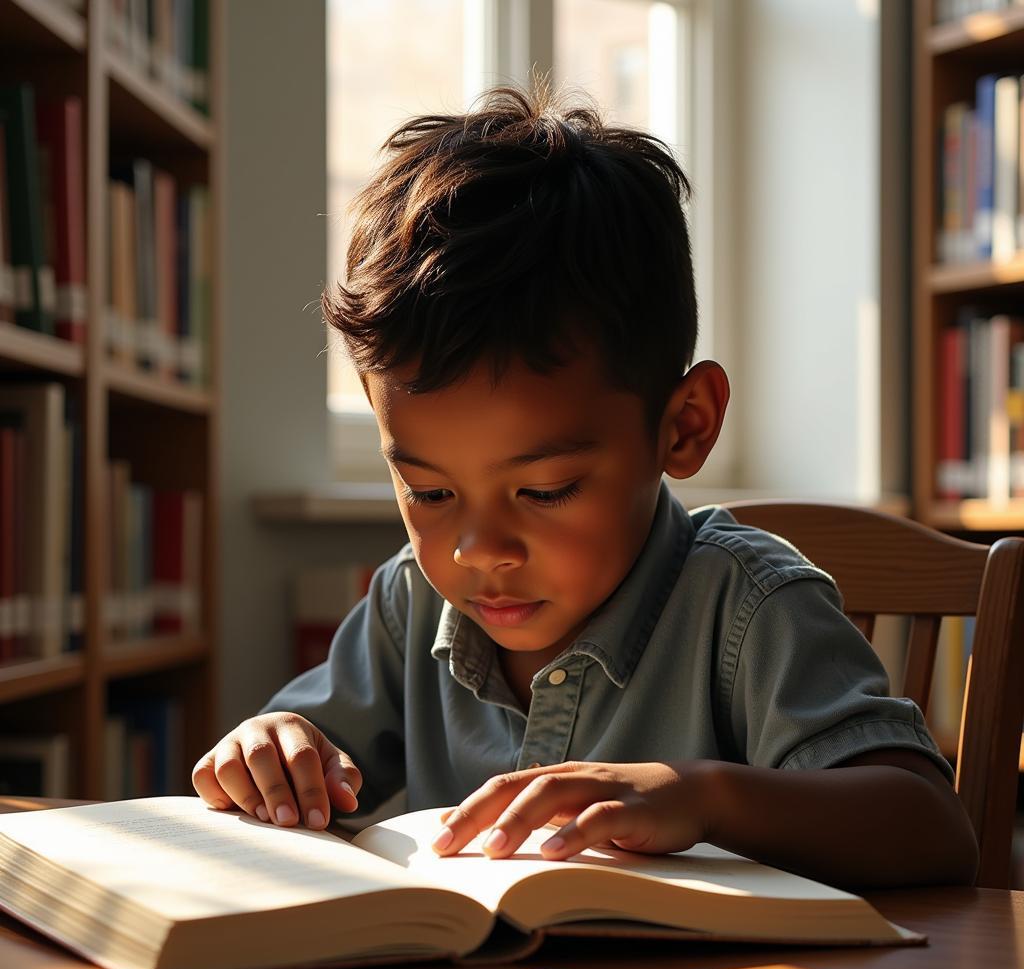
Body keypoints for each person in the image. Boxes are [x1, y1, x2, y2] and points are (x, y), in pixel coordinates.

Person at [193, 80, 978, 888]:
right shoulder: (408, 603)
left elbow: (932, 828)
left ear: (684, 426)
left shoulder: (750, 608)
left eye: (545, 490)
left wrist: (703, 797)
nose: (479, 550)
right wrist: (273, 745)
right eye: (430, 494)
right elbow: (301, 751)